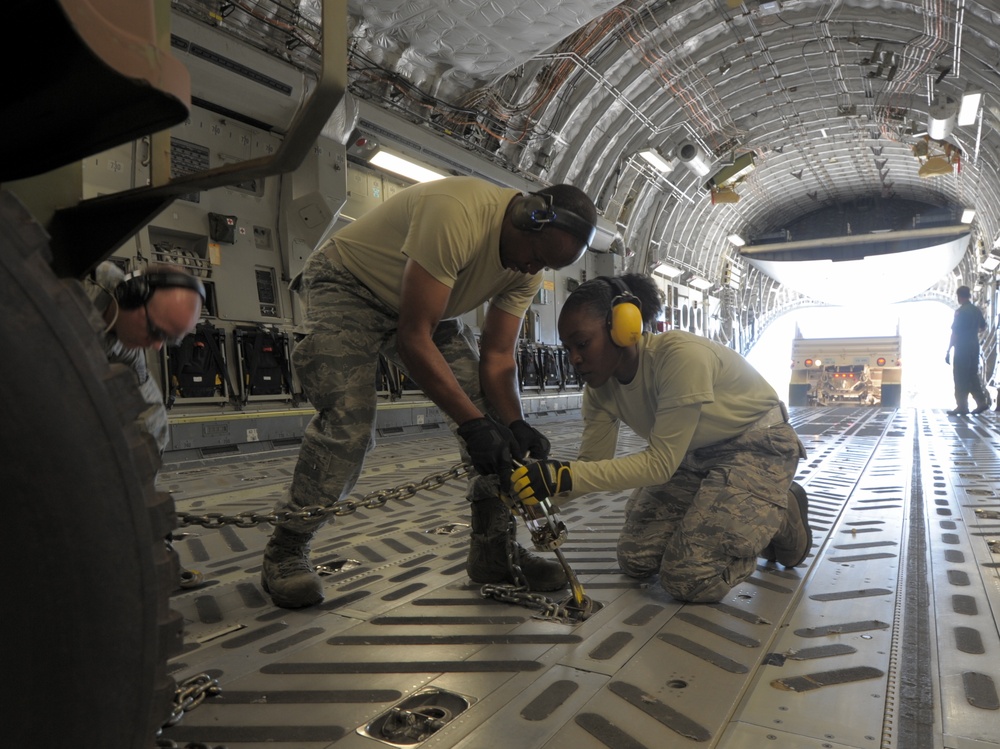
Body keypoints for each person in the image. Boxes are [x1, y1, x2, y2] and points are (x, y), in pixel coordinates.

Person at [261, 176, 598, 609]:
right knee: (349, 420)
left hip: (428, 308)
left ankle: (493, 554)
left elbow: (497, 356)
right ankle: (286, 550)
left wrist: (514, 423)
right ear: (525, 218)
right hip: (350, 286)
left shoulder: (528, 267)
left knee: (496, 424)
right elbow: (412, 338)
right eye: (536, 256)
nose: (533, 269)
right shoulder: (456, 212)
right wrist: (472, 425)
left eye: (546, 266)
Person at [508, 273, 811, 604]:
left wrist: (562, 475)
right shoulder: (600, 391)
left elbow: (660, 465)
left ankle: (780, 513)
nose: (575, 359)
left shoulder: (680, 357)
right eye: (568, 348)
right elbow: (592, 467)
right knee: (636, 560)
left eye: (582, 344)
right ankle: (728, 504)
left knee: (690, 578)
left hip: (758, 447)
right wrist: (532, 496)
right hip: (694, 454)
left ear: (622, 328)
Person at [84, 260, 207, 588]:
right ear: (130, 295)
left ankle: (143, 535)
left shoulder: (127, 334)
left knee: (151, 420)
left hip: (112, 345)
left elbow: (144, 410)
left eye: (168, 340)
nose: (156, 345)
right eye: (156, 332)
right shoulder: (79, 300)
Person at [945, 285, 989, 415]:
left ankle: (962, 406)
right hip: (974, 346)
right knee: (972, 374)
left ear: (959, 296)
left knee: (960, 376)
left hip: (962, 347)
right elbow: (983, 327)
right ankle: (981, 402)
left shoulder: (961, 311)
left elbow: (955, 333)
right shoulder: (976, 310)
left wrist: (948, 350)